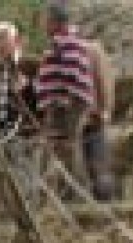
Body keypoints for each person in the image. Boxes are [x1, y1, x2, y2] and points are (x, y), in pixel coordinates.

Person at [35, 1, 97, 197]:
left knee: (69, 146)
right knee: (59, 146)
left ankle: (78, 194)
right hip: (63, 103)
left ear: (55, 22)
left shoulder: (67, 42)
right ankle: (66, 193)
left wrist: (64, 100)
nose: (43, 24)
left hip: (70, 103)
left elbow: (71, 73)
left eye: (46, 20)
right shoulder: (60, 42)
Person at [0, 21, 42, 199]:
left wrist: (28, 87)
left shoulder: (32, 64)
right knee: (11, 178)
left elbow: (46, 96)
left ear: (17, 41)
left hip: (28, 130)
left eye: (4, 39)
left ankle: (33, 213)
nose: (0, 44)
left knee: (29, 176)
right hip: (2, 133)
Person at [83, 32, 118, 201]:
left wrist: (105, 109)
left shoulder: (92, 49)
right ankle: (104, 203)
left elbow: (104, 82)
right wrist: (106, 109)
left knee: (97, 165)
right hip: (92, 116)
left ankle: (104, 202)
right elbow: (105, 81)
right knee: (98, 165)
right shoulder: (94, 49)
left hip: (90, 117)